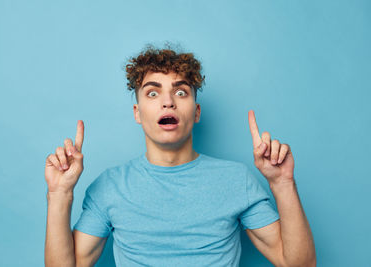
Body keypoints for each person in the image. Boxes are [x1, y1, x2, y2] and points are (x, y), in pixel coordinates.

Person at [44, 45, 316, 267]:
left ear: (196, 112)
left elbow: (299, 264)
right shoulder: (110, 186)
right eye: (153, 92)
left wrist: (283, 184)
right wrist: (59, 195)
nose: (168, 101)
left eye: (180, 92)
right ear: (137, 113)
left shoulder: (236, 180)